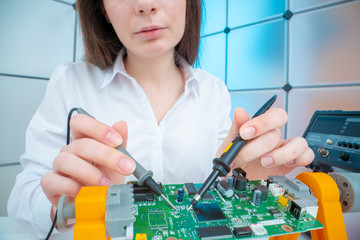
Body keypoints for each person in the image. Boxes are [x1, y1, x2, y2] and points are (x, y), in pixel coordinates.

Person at [8, 0, 314, 238]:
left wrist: (248, 184)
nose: (145, 4)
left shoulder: (215, 91)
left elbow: (231, 196)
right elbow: (21, 200)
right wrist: (65, 205)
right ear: (101, 7)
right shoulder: (70, 82)